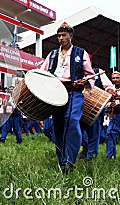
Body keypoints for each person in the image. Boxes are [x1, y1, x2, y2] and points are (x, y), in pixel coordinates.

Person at [40, 22, 95, 173]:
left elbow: (90, 75)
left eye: (64, 35)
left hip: (74, 92)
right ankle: (62, 160)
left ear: (71, 36)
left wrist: (85, 81)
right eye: (58, 36)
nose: (61, 38)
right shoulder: (52, 55)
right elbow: (42, 72)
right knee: (57, 126)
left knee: (71, 121)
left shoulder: (80, 53)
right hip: (56, 93)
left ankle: (70, 160)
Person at [78, 68, 114, 160]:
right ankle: (85, 146)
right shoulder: (75, 71)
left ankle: (91, 155)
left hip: (96, 105)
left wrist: (110, 90)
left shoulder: (98, 72)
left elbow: (108, 86)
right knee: (76, 129)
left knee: (94, 131)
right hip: (77, 104)